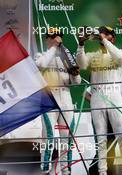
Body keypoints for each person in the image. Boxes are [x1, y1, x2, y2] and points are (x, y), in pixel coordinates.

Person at [76, 26, 122, 175]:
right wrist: (81, 44)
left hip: (114, 94)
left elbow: (120, 59)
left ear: (112, 38)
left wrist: (103, 40)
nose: (102, 35)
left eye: (107, 34)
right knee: (101, 139)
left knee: (121, 136)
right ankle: (102, 172)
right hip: (97, 97)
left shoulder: (119, 53)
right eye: (101, 33)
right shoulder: (93, 55)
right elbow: (81, 64)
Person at [35, 28, 81, 175]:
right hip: (49, 98)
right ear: (47, 39)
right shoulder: (41, 55)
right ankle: (45, 170)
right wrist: (54, 47)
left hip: (66, 98)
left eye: (59, 37)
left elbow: (76, 83)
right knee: (49, 136)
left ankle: (65, 170)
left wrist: (75, 74)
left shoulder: (66, 57)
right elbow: (41, 65)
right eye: (54, 37)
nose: (58, 39)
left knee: (66, 137)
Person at [86, 61, 122, 175]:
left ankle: (96, 171)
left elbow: (86, 94)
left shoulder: (104, 77)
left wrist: (98, 104)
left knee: (104, 146)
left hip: (102, 114)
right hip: (117, 115)